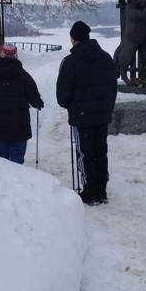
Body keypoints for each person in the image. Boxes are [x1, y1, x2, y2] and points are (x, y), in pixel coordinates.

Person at [57, 21, 118, 205]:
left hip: (81, 115)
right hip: (102, 114)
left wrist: (69, 105)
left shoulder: (70, 61)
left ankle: (90, 191)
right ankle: (101, 189)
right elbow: (112, 87)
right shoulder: (106, 58)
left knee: (85, 152)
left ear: (73, 38)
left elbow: (63, 94)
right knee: (100, 150)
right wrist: (107, 108)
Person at [0, 44, 44, 164]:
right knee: (17, 161)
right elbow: (34, 97)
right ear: (16, 55)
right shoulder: (24, 76)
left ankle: (2, 182)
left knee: (0, 161)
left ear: (2, 55)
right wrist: (38, 103)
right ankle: (17, 181)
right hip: (19, 125)